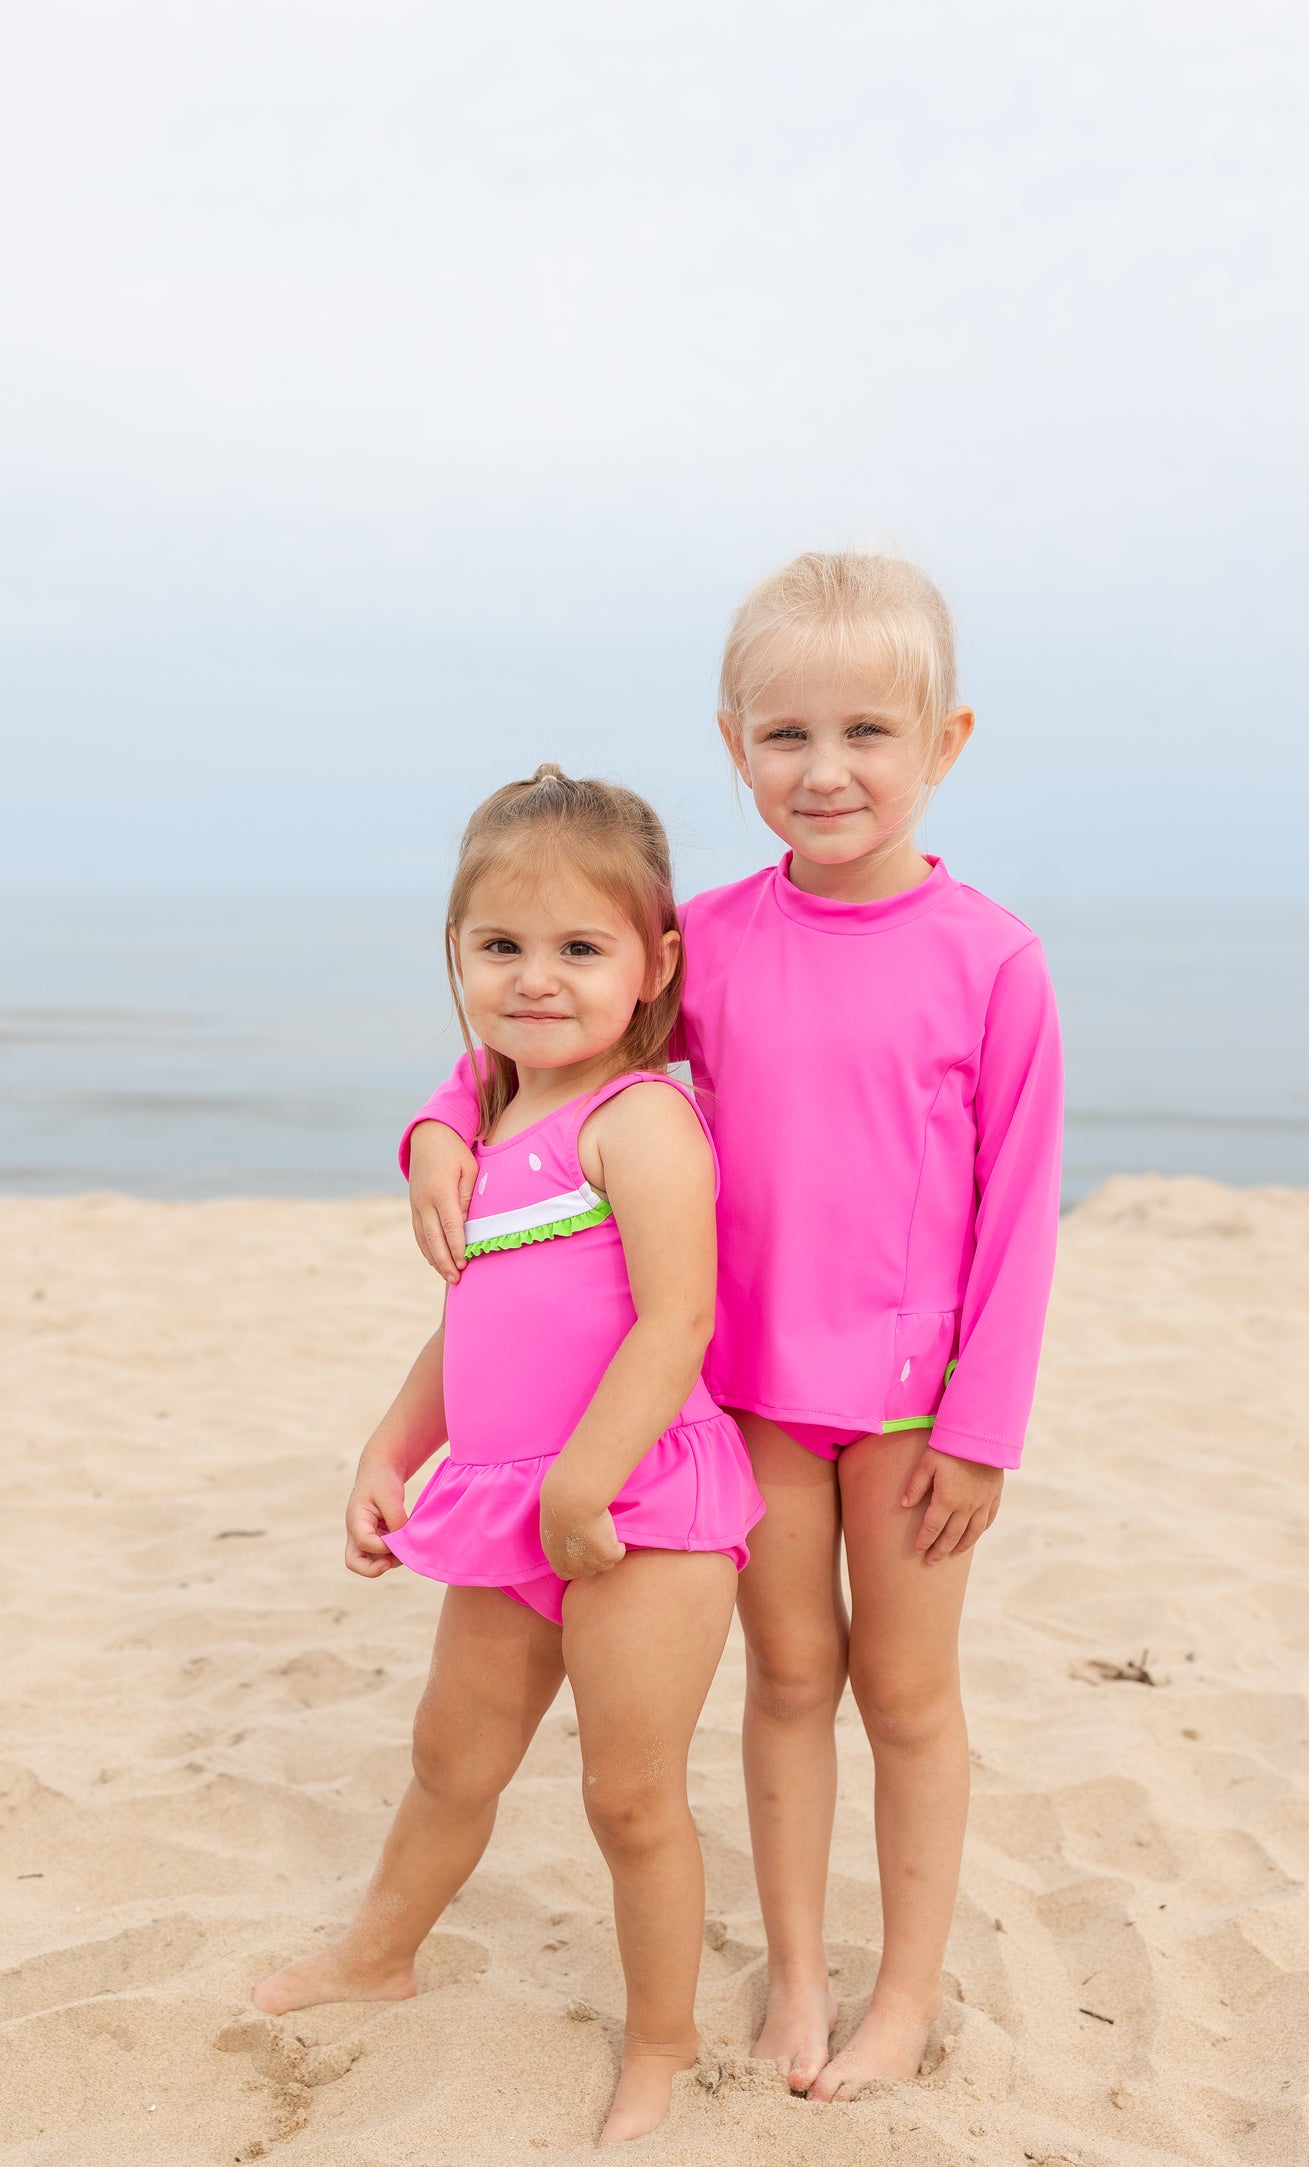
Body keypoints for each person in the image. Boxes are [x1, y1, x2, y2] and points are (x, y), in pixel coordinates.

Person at [404, 555, 1064, 2102]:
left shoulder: (991, 959)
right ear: (731, 745)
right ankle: (791, 1973)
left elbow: (1022, 1214)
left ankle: (899, 1992)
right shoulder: (702, 938)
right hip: (746, 1400)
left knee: (905, 1698)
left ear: (944, 742)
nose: (824, 772)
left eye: (866, 734)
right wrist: (435, 1125)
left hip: (911, 1417)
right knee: (785, 1684)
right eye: (784, 737)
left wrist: (979, 1429)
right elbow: (551, 1043)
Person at [254, 766, 763, 2148]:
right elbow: (468, 1322)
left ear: (652, 962)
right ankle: (380, 1953)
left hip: (633, 1505)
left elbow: (679, 1318)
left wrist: (584, 1482)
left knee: (628, 1795)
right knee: (449, 1758)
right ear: (459, 958)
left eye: (578, 948)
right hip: (501, 1506)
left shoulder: (636, 1119)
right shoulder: (487, 1124)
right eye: (501, 948)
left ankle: (661, 2041)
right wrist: (388, 1448)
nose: (537, 979)